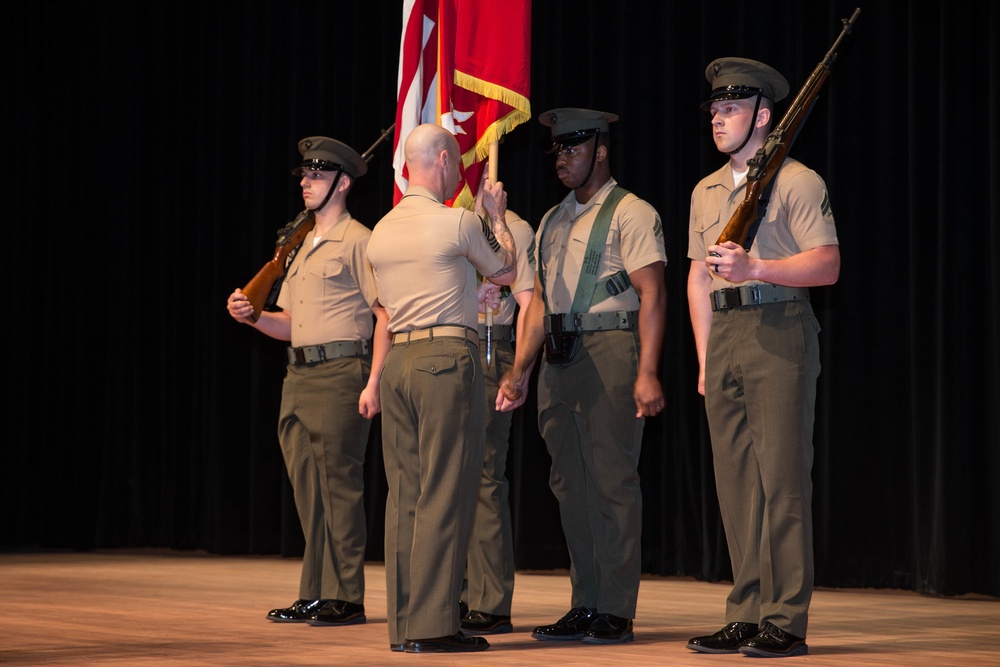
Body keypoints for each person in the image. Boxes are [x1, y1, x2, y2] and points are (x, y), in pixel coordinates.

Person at [684, 58, 840, 658]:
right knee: (736, 484)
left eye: (731, 108)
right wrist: (703, 356)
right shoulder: (705, 191)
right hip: (723, 336)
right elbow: (699, 279)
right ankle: (746, 610)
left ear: (764, 116)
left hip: (778, 328)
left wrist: (756, 268)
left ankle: (785, 617)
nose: (719, 119)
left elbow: (826, 264)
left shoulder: (799, 181)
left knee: (781, 482)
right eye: (716, 110)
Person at [496, 108, 667, 645]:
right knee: (569, 485)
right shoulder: (551, 220)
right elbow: (540, 301)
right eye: (557, 150)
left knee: (612, 482)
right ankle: (585, 602)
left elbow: (654, 294)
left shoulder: (631, 212)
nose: (563, 159)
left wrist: (648, 371)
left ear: (601, 150)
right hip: (557, 356)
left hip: (611, 347)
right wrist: (519, 370)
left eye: (573, 148)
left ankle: (614, 607)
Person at [366, 123, 518, 654]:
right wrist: (496, 216)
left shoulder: (380, 231)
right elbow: (504, 269)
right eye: (455, 164)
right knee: (446, 491)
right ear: (444, 163)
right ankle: (435, 626)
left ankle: (406, 625)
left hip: (398, 362)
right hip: (446, 360)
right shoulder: (456, 221)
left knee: (404, 496)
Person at [226, 136, 390, 628]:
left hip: (343, 372)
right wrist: (252, 316)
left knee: (339, 487)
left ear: (342, 183)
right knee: (308, 492)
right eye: (303, 175)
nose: (304, 182)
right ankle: (315, 592)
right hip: (298, 373)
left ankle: (346, 596)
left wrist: (374, 381)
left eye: (315, 175)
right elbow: (291, 321)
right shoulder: (297, 249)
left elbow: (385, 315)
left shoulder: (360, 239)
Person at [459, 208, 536, 637]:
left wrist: (519, 371)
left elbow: (529, 302)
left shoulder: (515, 228)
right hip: (448, 348)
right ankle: (454, 591)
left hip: (491, 347)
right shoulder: (444, 222)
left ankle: (489, 601)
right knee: (447, 480)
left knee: (485, 476)